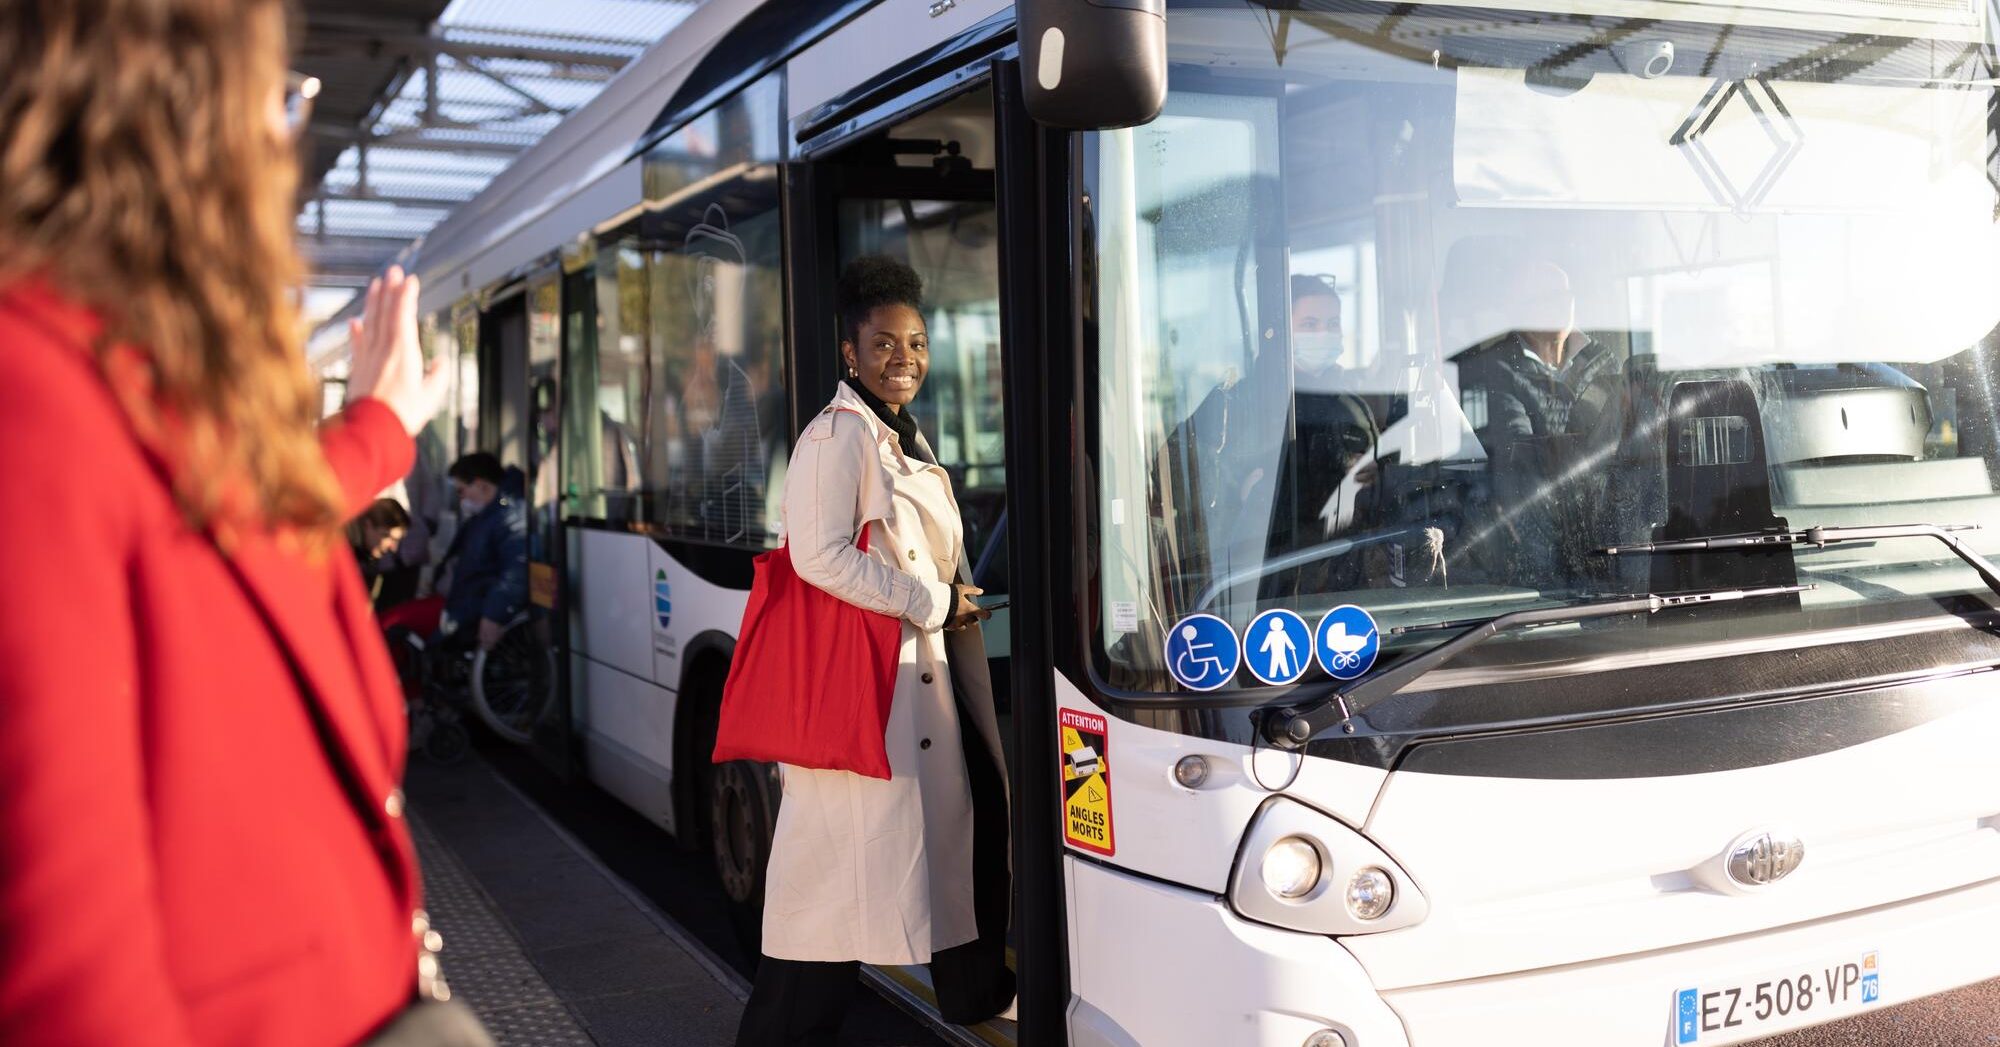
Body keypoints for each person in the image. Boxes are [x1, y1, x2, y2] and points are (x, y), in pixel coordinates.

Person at [0, 1, 485, 1042]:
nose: (283, 138)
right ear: (160, 107)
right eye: (274, 96)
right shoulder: (28, 403)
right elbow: (72, 988)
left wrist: (382, 424)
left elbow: (237, 517)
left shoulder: (119, 376)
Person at [735, 256, 1014, 1045]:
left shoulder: (898, 433)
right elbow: (817, 556)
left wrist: (944, 599)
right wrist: (928, 600)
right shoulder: (837, 436)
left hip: (910, 681)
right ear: (849, 352)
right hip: (869, 698)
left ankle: (975, 986)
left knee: (968, 826)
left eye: (918, 342)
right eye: (885, 343)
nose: (906, 358)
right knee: (826, 909)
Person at [439, 451, 528, 653]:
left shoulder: (510, 518)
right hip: (468, 608)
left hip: (479, 613)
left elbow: (516, 573)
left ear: (481, 485)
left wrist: (494, 615)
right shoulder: (486, 516)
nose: (460, 499)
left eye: (461, 491)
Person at [349, 497, 413, 608]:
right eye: (388, 537)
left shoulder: (368, 557)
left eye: (397, 540)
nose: (393, 548)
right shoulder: (341, 551)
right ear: (368, 525)